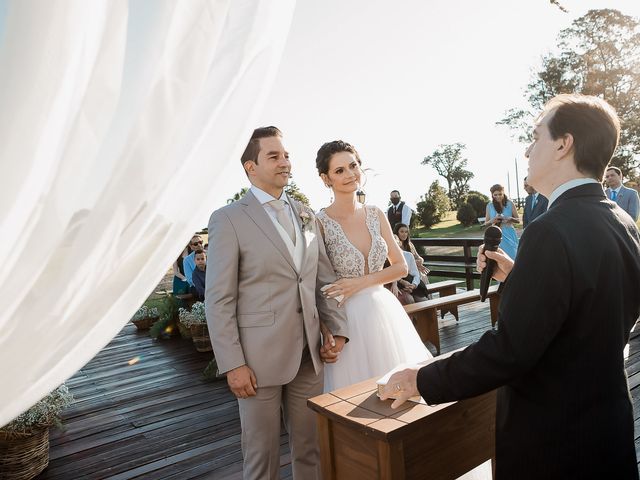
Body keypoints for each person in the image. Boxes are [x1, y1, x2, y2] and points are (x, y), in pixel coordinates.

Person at [382, 94, 640, 479]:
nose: (528, 147)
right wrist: (520, 277)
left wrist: (421, 378)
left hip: (555, 444)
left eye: (536, 136)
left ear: (563, 144)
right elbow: (588, 306)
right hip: (607, 429)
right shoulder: (621, 221)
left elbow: (511, 350)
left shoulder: (549, 230)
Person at [205, 126, 348, 480]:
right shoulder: (228, 219)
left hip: (309, 356)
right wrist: (232, 363)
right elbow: (219, 299)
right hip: (256, 362)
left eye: (286, 155)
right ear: (250, 167)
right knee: (261, 457)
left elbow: (321, 279)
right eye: (273, 156)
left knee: (310, 449)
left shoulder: (305, 213)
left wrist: (338, 330)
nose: (284, 162)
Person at [315, 140, 431, 392]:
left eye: (353, 165)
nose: (350, 174)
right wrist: (328, 332)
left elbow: (401, 267)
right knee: (356, 397)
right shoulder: (320, 222)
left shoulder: (376, 213)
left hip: (384, 312)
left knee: (403, 390)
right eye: (339, 170)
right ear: (326, 179)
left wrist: (359, 283)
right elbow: (318, 284)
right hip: (345, 322)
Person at [483, 184, 519, 259]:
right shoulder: (489, 206)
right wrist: (492, 220)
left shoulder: (510, 203)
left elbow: (518, 220)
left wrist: (510, 218)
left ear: (503, 193)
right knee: (499, 259)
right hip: (496, 235)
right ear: (492, 195)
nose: (498, 196)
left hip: (509, 233)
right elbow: (486, 224)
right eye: (495, 195)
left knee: (513, 257)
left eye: (500, 194)